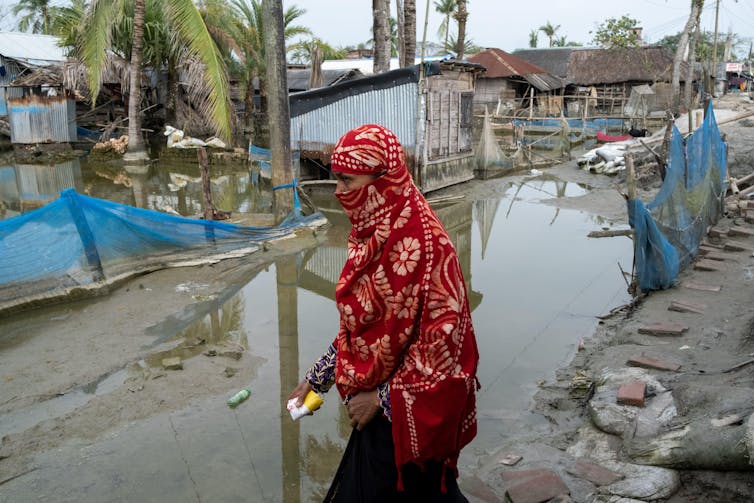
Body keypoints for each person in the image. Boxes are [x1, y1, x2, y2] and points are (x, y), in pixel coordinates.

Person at [288, 124, 479, 502]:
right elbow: (366, 329)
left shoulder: (428, 246)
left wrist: (382, 399)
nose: (339, 193)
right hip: (374, 414)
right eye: (335, 182)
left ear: (383, 179)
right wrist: (320, 376)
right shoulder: (372, 235)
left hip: (406, 414)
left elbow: (446, 351)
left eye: (347, 181)